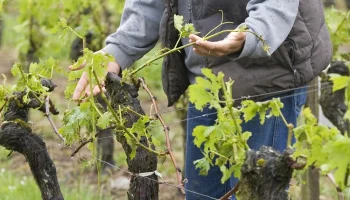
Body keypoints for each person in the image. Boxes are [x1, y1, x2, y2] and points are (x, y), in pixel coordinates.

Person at [70, 0, 332, 199]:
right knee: (202, 193)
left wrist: (253, 34)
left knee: (259, 190)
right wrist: (118, 50)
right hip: (205, 74)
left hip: (269, 70)